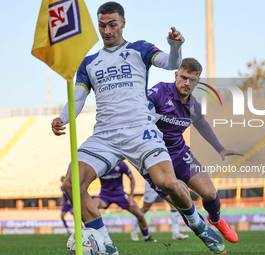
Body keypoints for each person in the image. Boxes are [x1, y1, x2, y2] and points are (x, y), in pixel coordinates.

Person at [51, 2, 225, 254]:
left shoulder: (139, 49)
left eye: (112, 24)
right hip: (104, 136)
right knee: (71, 185)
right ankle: (107, 246)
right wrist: (62, 118)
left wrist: (175, 46)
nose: (107, 30)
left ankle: (198, 225)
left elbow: (169, 62)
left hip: (140, 132)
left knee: (168, 183)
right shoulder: (88, 63)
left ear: (122, 23)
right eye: (102, 25)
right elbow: (77, 99)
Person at [144, 58, 243, 244]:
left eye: (193, 79)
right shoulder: (159, 92)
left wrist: (220, 149)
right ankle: (204, 234)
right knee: (184, 205)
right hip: (155, 160)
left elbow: (203, 126)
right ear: (176, 75)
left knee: (211, 194)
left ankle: (216, 220)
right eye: (183, 77)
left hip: (180, 155)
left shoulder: (194, 107)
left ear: (198, 82)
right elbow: (141, 105)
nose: (187, 83)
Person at [93, 161, 156, 242]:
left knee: (140, 214)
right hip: (104, 195)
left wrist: (131, 196)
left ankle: (146, 237)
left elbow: (132, 178)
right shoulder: (100, 165)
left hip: (120, 195)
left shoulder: (121, 164)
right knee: (92, 205)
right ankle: (87, 234)